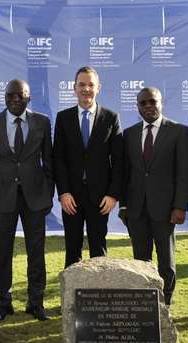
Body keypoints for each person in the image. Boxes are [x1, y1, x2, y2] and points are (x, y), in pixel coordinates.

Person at [0, 79, 54, 323]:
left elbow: (49, 162)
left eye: (20, 95)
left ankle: (36, 302)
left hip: (34, 198)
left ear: (29, 97)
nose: (15, 99)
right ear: (4, 97)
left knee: (36, 252)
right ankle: (3, 304)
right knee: (2, 252)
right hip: (2, 200)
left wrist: (48, 195)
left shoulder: (42, 122)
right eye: (11, 95)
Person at [118, 87, 188, 306]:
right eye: (143, 103)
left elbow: (184, 172)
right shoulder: (129, 134)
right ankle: (145, 301)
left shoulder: (179, 131)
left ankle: (165, 302)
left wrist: (180, 206)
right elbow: (125, 173)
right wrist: (124, 206)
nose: (148, 106)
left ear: (161, 103)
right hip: (136, 209)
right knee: (140, 259)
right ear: (138, 107)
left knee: (166, 260)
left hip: (166, 209)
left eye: (153, 101)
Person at [53, 66, 124, 267]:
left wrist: (113, 195)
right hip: (71, 198)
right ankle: (71, 296)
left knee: (98, 252)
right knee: (72, 251)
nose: (86, 89)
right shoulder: (63, 118)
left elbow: (118, 161)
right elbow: (58, 158)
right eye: (81, 85)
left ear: (98, 88)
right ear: (74, 88)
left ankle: (99, 294)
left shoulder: (111, 118)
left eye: (90, 85)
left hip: (100, 198)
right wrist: (63, 192)